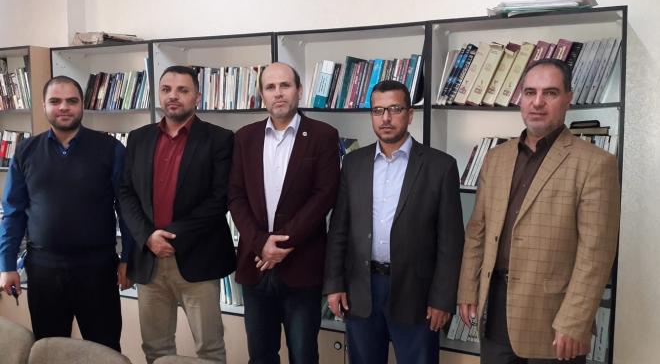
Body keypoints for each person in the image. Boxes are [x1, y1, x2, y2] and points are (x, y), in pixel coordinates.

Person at [457, 58, 621, 363]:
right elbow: (477, 231)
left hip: (554, 318)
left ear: (568, 99)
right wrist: (468, 288)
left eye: (551, 93)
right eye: (530, 92)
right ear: (520, 97)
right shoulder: (496, 158)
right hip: (494, 308)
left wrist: (574, 320)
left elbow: (596, 254)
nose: (538, 102)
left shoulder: (596, 164)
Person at [324, 80, 465, 364]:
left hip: (416, 293)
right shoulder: (353, 163)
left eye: (395, 109)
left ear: (410, 114)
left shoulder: (440, 166)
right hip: (362, 288)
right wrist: (334, 284)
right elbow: (339, 229)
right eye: (378, 110)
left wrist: (442, 299)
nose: (386, 118)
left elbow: (451, 242)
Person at [0, 76, 133, 351]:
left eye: (72, 101)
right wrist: (7, 264)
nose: (64, 107)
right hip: (44, 271)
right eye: (55, 101)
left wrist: (129, 258)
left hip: (97, 269)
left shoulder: (110, 149)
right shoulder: (25, 151)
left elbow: (126, 207)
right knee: (49, 349)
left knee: (105, 350)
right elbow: (13, 212)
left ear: (82, 105)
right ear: (44, 106)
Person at [118, 65, 235, 364]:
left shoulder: (219, 139)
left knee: (209, 350)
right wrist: (148, 237)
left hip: (198, 258)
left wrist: (171, 236)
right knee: (155, 349)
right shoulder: (138, 138)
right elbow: (126, 193)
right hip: (149, 260)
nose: (173, 96)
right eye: (167, 89)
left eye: (183, 90)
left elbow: (219, 199)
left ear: (197, 96)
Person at [228, 62, 340, 363]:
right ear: (262, 95)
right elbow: (235, 195)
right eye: (270, 87)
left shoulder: (323, 135)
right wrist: (260, 243)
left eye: (285, 85)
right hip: (255, 265)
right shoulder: (245, 137)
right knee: (260, 356)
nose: (278, 93)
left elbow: (324, 195)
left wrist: (282, 243)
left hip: (302, 265)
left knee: (303, 355)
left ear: (299, 90)